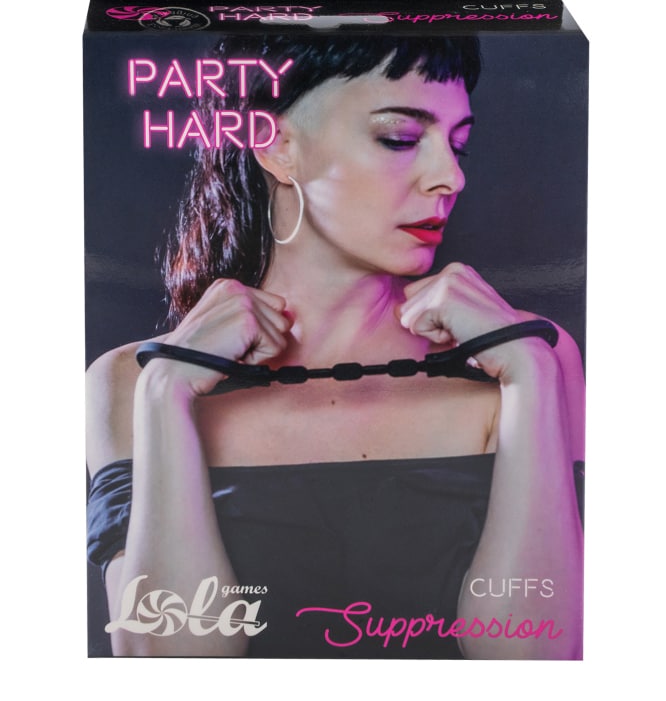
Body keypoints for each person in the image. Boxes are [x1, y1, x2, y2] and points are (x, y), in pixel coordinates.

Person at [86, 34, 584, 659]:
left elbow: (535, 662)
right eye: (400, 138)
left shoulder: (529, 356)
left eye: (459, 144)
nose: (451, 177)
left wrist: (530, 373)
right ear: (277, 145)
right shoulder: (133, 380)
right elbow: (172, 669)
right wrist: (167, 392)